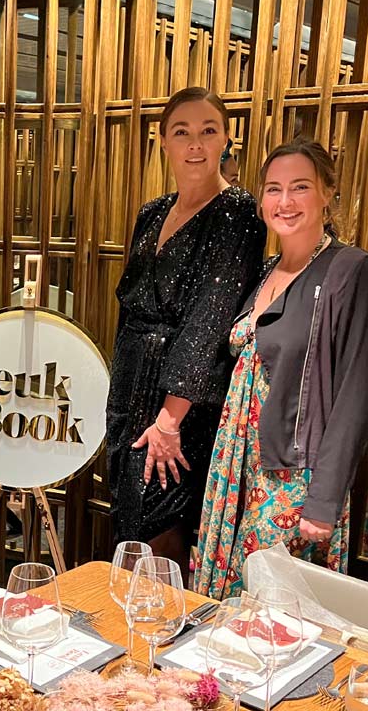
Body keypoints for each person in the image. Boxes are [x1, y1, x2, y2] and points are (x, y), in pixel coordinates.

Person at [192, 138, 368, 599]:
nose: (285, 201)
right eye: (274, 188)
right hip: (235, 462)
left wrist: (323, 500)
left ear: (327, 193)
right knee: (224, 601)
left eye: (300, 187)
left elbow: (357, 395)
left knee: (267, 606)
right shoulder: (266, 271)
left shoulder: (351, 271)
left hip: (292, 473)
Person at [107, 87, 266, 571]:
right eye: (182, 132)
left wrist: (170, 419)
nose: (195, 144)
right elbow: (129, 306)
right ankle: (128, 629)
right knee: (129, 520)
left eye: (207, 131)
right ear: (163, 142)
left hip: (180, 403)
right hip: (132, 385)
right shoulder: (152, 213)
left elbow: (210, 321)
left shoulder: (239, 213)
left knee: (164, 524)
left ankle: (158, 632)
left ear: (226, 140)